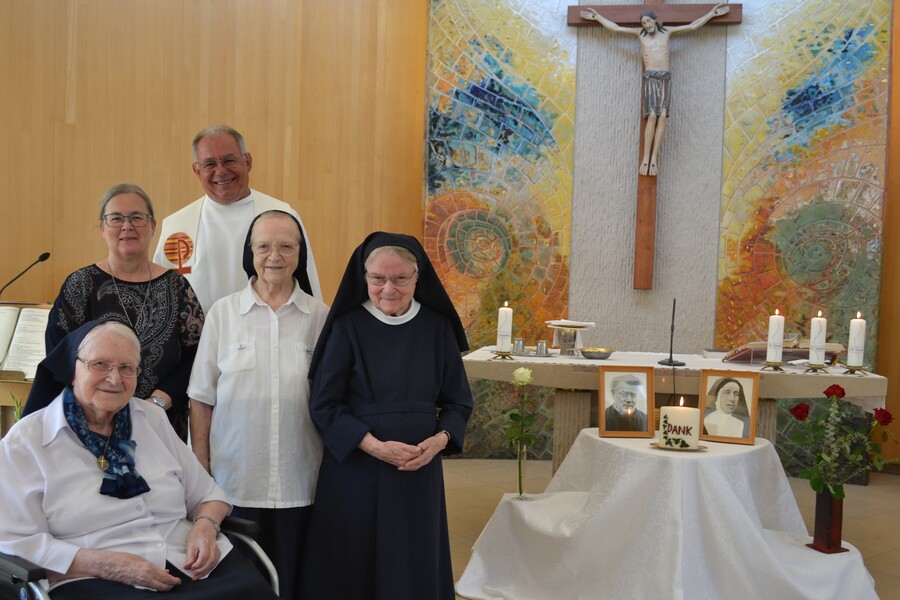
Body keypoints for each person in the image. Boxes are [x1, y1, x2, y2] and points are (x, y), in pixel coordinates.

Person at [0, 320, 277, 599]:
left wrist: (206, 526)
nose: (114, 378)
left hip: (191, 563)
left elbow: (208, 493)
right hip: (93, 578)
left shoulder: (151, 418)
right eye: (100, 365)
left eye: (126, 368)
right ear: (73, 369)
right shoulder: (26, 442)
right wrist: (105, 565)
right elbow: (16, 541)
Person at [300, 232, 473, 599]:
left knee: (411, 562)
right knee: (353, 560)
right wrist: (375, 447)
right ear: (364, 279)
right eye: (378, 279)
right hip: (356, 467)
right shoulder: (347, 325)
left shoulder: (437, 326)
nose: (388, 289)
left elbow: (459, 402)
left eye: (400, 279)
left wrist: (439, 442)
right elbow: (325, 403)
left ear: (417, 278)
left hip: (417, 469)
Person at [188, 210, 328, 599]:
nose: (274, 256)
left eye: (287, 246)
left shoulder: (321, 317)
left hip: (301, 479)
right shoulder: (223, 313)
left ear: (300, 253)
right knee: (238, 584)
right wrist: (201, 464)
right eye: (263, 246)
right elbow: (200, 396)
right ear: (250, 252)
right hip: (234, 481)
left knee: (295, 581)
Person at [28, 183, 203, 441]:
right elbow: (60, 357)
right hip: (90, 426)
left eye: (136, 217)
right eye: (116, 218)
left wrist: (156, 403)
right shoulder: (81, 285)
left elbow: (197, 358)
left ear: (153, 226)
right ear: (102, 227)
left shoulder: (177, 287)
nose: (127, 226)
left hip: (160, 426)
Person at [153, 125, 321, 313]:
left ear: (247, 161)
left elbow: (308, 288)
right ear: (197, 170)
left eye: (229, 160)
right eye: (209, 164)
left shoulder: (283, 216)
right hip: (198, 340)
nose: (221, 171)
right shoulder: (177, 226)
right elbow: (161, 299)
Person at [580, 4, 730, 176]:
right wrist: (597, 17)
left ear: (655, 20)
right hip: (650, 77)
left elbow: (692, 26)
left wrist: (711, 14)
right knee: (652, 115)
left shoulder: (667, 33)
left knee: (663, 116)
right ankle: (645, 158)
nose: (646, 25)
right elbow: (616, 29)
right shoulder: (640, 34)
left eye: (648, 21)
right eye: (643, 23)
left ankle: (654, 159)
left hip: (665, 78)